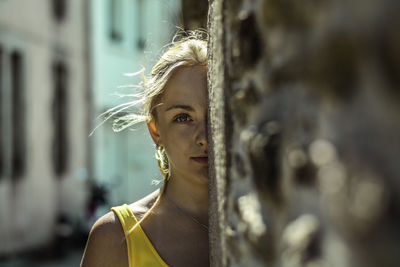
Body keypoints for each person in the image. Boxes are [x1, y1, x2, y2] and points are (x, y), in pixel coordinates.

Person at [81, 31, 209, 267]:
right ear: (155, 131)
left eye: (215, 115)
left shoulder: (268, 221)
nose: (204, 138)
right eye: (183, 118)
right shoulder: (115, 238)